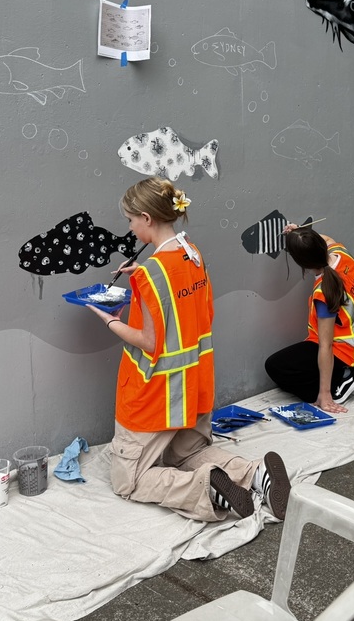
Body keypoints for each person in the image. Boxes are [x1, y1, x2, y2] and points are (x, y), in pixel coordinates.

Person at [86, 177, 291, 521]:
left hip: (155, 397)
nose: (131, 227)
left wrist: (107, 319)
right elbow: (194, 305)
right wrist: (144, 276)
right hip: (194, 389)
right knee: (185, 454)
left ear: (147, 218)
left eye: (131, 220)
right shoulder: (191, 253)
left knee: (128, 482)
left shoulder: (151, 273)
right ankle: (255, 473)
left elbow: (150, 342)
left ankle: (205, 488)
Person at [264, 224, 354, 413]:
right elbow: (326, 238)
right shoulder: (342, 255)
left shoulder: (325, 292)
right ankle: (351, 371)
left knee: (276, 367)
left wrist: (324, 394)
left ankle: (348, 376)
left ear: (303, 264)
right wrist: (299, 233)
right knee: (290, 369)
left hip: (343, 353)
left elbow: (326, 345)